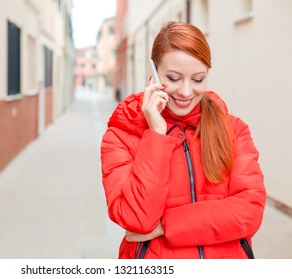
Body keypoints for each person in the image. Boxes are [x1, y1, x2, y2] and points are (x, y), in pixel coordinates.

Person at [100, 21, 266, 259]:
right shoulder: (121, 136)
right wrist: (156, 134)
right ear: (154, 74)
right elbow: (136, 219)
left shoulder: (234, 130)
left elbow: (249, 212)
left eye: (198, 79)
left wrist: (165, 226)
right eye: (174, 78)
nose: (186, 92)